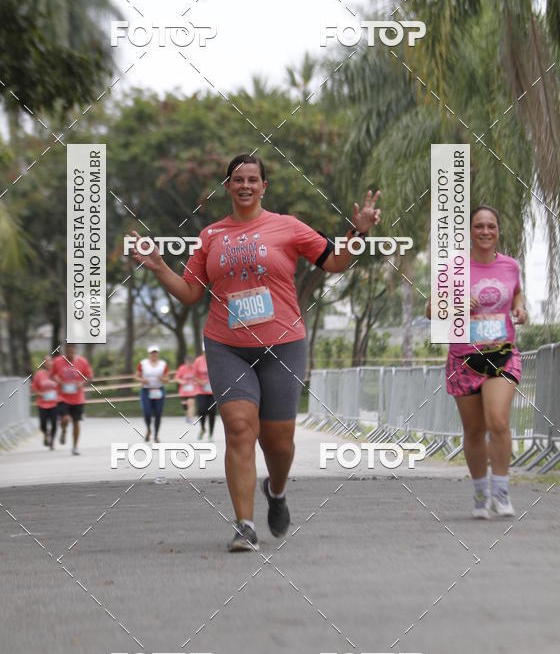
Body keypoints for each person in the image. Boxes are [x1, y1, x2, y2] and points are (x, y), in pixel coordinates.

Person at [130, 153, 381, 551]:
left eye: (253, 179)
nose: (245, 185)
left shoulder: (288, 227)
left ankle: (276, 491)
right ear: (227, 187)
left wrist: (358, 232)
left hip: (283, 345)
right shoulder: (211, 236)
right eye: (237, 179)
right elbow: (192, 294)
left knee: (279, 444)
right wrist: (160, 267)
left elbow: (334, 263)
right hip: (227, 345)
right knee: (240, 428)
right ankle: (244, 525)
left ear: (264, 187)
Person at [427, 205, 527, 519]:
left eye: (491, 226)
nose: (485, 231)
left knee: (497, 420)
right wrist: (454, 302)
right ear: (469, 231)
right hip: (464, 358)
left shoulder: (511, 266)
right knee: (473, 431)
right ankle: (481, 494)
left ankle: (501, 491)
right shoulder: (453, 268)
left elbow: (517, 295)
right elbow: (430, 310)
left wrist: (521, 309)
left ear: (498, 231)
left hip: (502, 353)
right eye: (479, 226)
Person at [51, 344, 93, 456]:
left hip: (77, 398)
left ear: (75, 350)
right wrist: (57, 380)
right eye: (68, 350)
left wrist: (82, 383)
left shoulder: (82, 361)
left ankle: (75, 447)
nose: (70, 352)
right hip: (62, 396)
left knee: (76, 421)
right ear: (65, 351)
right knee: (65, 419)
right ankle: (64, 430)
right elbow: (52, 375)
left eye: (72, 350)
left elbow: (89, 376)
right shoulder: (57, 361)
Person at [136, 345, 170, 442]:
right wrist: (143, 380)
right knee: (147, 413)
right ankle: (148, 429)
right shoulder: (143, 363)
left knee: (158, 413)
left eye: (155, 353)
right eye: (152, 353)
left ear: (158, 354)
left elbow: (167, 379)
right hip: (146, 391)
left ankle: (156, 434)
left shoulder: (163, 364)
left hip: (159, 390)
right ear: (149, 354)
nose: (154, 354)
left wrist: (162, 379)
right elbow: (136, 376)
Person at [32, 355, 58, 449]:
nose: (48, 363)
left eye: (50, 361)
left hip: (54, 403)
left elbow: (61, 386)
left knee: (54, 423)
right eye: (46, 361)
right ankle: (46, 434)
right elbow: (34, 387)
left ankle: (52, 442)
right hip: (42, 403)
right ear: (44, 363)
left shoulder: (56, 374)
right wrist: (40, 393)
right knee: (43, 424)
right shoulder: (39, 374)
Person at [193, 350, 217, 441]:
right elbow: (194, 375)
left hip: (213, 390)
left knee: (212, 411)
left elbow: (219, 373)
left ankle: (211, 433)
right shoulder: (198, 361)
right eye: (205, 350)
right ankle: (203, 428)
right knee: (201, 410)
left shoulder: (215, 359)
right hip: (200, 390)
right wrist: (200, 382)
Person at [174, 354, 197, 424]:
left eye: (191, 362)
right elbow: (176, 378)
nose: (189, 364)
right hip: (184, 391)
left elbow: (198, 377)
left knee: (191, 403)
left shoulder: (194, 368)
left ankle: (191, 418)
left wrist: (196, 382)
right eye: (188, 362)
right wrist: (182, 381)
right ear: (185, 362)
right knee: (184, 405)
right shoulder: (182, 368)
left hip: (192, 390)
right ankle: (188, 416)